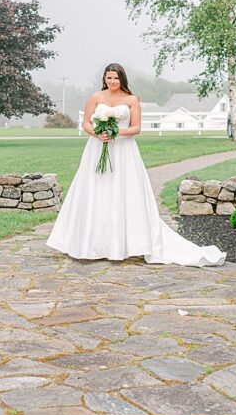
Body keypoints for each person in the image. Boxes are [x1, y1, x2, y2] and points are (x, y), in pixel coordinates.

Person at [45, 63, 225, 266]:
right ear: (104, 78)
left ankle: (127, 244)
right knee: (97, 190)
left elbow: (136, 128)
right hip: (97, 149)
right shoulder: (96, 97)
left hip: (124, 151)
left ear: (122, 78)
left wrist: (116, 133)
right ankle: (92, 244)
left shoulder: (131, 100)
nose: (112, 81)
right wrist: (97, 133)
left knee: (124, 191)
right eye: (108, 77)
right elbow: (86, 122)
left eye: (116, 78)